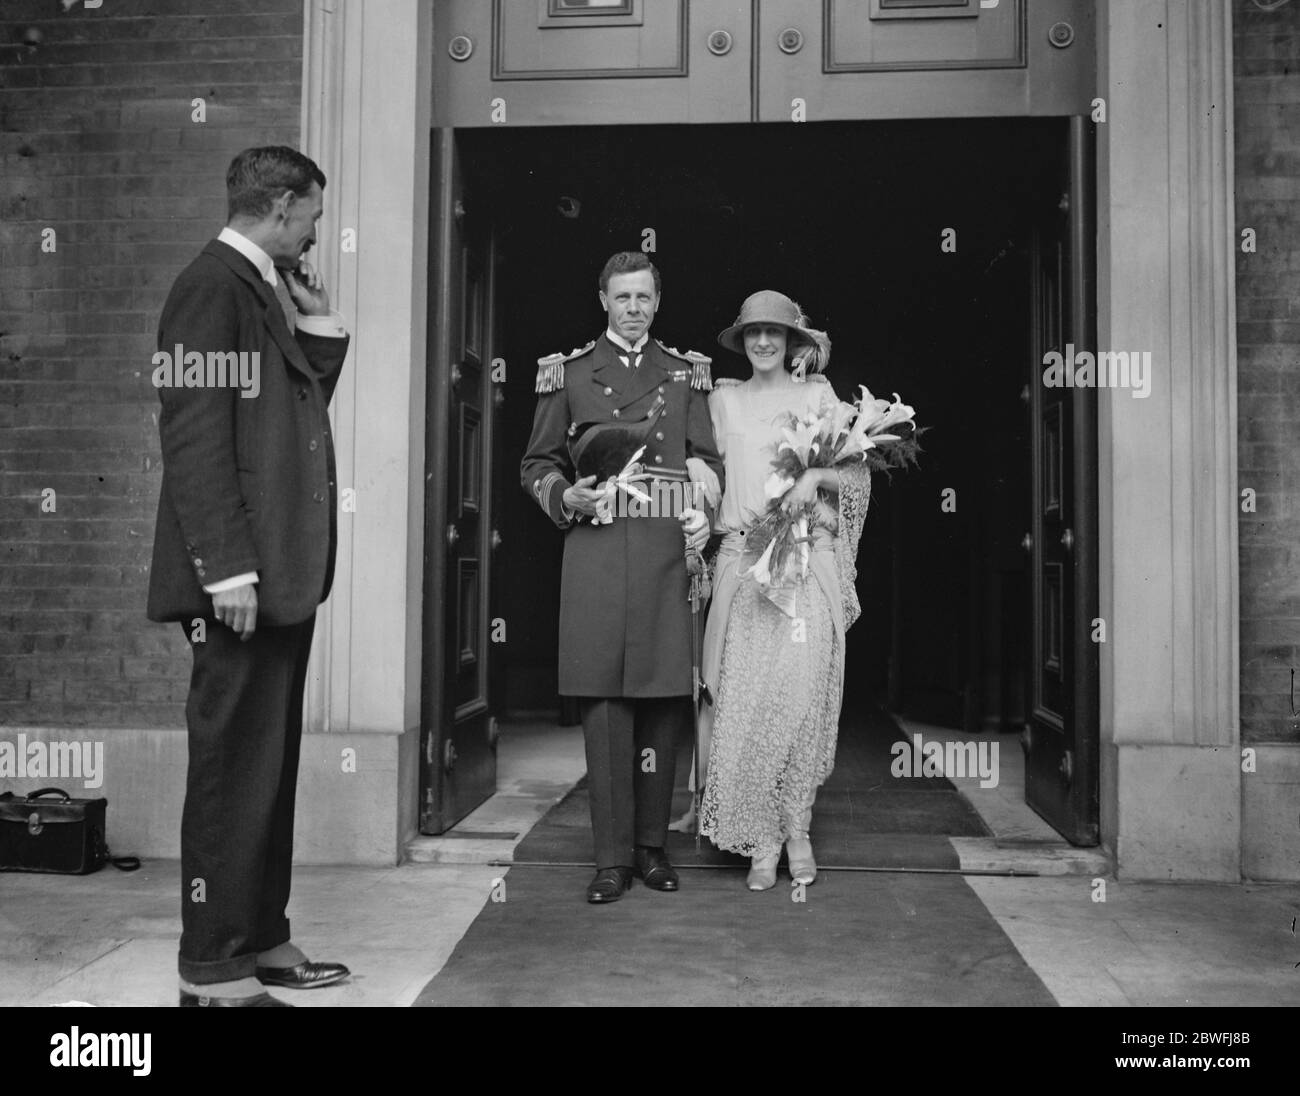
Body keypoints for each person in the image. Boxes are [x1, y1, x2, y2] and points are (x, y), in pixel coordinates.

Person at [147, 146, 352, 1005]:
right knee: (232, 770)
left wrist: (317, 325)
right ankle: (214, 971)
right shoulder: (209, 288)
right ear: (278, 206)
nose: (314, 233)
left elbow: (293, 415)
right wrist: (225, 569)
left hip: (277, 578)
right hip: (236, 583)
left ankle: (263, 937)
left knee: (265, 765)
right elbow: (193, 437)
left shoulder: (262, 290)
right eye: (310, 216)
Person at [520, 251, 725, 903]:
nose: (633, 309)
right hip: (599, 548)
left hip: (665, 552)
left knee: (663, 698)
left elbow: (706, 460)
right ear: (602, 300)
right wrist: (564, 498)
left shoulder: (684, 373)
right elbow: (535, 463)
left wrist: (703, 512)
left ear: (657, 303)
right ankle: (610, 858)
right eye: (622, 297)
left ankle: (651, 849)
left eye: (644, 298)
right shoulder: (568, 373)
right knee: (605, 702)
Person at [697, 290, 873, 891]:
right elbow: (703, 474)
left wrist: (816, 479)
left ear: (794, 342)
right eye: (753, 334)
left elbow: (857, 475)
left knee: (799, 703)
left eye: (775, 333)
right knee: (743, 706)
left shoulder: (818, 398)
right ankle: (762, 838)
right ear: (742, 341)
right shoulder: (721, 400)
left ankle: (797, 827)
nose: (764, 342)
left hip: (805, 565)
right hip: (745, 564)